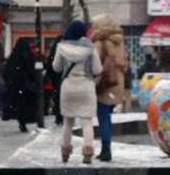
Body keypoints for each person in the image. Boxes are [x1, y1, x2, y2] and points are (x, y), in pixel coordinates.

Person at [52, 19, 101, 164]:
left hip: (68, 87)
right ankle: (88, 151)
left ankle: (65, 152)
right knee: (86, 122)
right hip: (86, 86)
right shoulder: (91, 48)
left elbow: (56, 67)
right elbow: (97, 70)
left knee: (67, 122)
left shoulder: (61, 47)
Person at [90, 13, 129, 162]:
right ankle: (106, 149)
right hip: (117, 82)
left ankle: (106, 150)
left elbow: (95, 65)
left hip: (105, 83)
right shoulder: (119, 42)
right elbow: (125, 63)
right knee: (107, 116)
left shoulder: (100, 43)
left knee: (103, 117)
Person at [2, 38, 39, 132]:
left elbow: (6, 72)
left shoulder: (14, 57)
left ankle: (21, 121)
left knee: (18, 105)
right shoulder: (29, 56)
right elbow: (33, 70)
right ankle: (24, 121)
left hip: (16, 87)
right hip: (26, 87)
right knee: (25, 105)